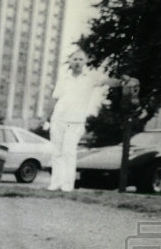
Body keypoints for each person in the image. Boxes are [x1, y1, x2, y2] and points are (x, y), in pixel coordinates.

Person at [46, 48, 130, 192]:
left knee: (69, 151)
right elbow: (55, 98)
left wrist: (123, 82)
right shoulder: (64, 78)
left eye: (80, 59)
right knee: (57, 152)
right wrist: (48, 117)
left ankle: (67, 185)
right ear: (70, 62)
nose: (77, 62)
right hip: (58, 119)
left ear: (85, 61)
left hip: (75, 121)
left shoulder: (91, 77)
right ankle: (55, 184)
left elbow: (108, 81)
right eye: (75, 59)